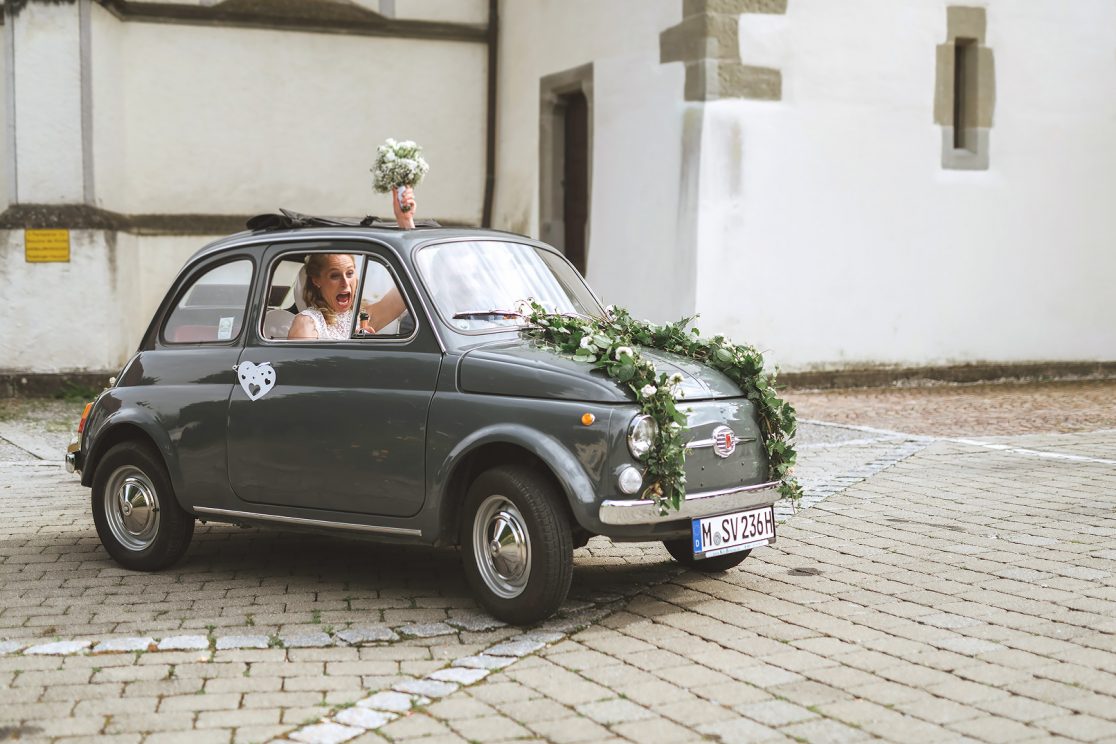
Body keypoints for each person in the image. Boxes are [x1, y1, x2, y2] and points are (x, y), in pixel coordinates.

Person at [287, 188, 413, 340]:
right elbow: (301, 363)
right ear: (316, 280)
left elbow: (411, 285)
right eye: (334, 275)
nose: (345, 283)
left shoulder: (363, 318)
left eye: (350, 273)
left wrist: (405, 221)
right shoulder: (306, 324)